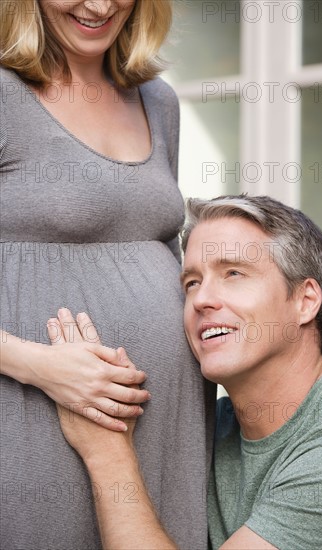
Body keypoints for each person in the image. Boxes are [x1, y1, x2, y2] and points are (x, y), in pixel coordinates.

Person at [0, 1, 216, 548]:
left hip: (169, 423)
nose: (99, 6)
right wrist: (38, 366)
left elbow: (167, 248)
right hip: (34, 409)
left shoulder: (157, 100)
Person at [52, 194, 322, 550]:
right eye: (192, 283)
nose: (201, 300)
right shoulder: (209, 427)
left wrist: (107, 452)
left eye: (233, 273)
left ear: (305, 301)